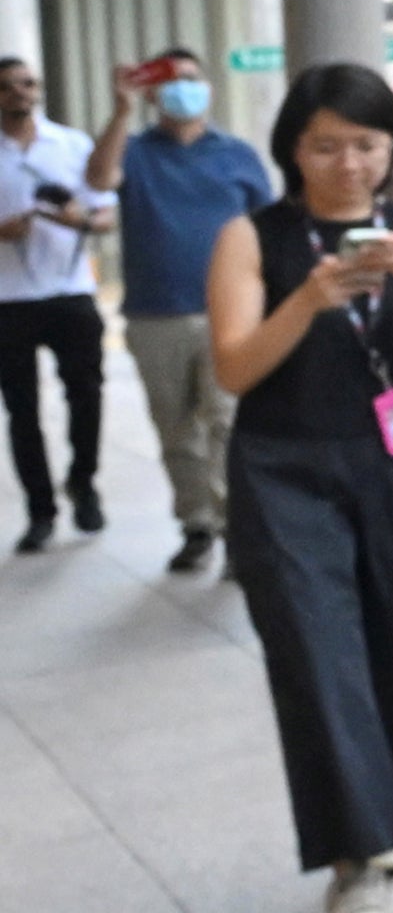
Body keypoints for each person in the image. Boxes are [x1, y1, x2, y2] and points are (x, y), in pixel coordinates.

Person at [205, 67, 393, 913]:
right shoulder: (252, 237)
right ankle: (356, 862)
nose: (348, 163)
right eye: (326, 145)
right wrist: (310, 298)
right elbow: (236, 368)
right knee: (319, 654)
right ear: (293, 148)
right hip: (286, 466)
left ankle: (375, 811)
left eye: (366, 144)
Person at [87, 50, 275, 573]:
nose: (184, 89)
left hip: (231, 312)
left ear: (209, 88)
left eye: (193, 79)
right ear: (150, 91)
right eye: (171, 81)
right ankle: (198, 522)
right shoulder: (136, 151)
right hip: (156, 314)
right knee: (176, 429)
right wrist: (121, 112)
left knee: (229, 423)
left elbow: (268, 228)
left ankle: (240, 530)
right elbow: (99, 180)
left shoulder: (237, 154)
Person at [3, 55, 120, 552]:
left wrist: (78, 222)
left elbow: (106, 216)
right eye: (8, 86)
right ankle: (40, 509)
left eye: (28, 83)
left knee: (87, 394)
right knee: (22, 409)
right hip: (9, 300)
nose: (20, 93)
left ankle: (84, 482)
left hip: (71, 293)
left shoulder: (73, 146)